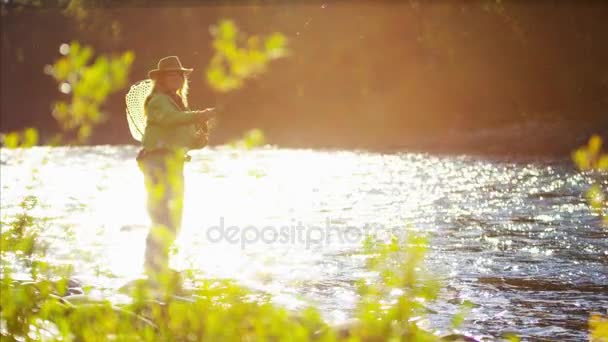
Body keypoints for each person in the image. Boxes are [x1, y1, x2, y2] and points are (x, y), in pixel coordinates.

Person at [136, 56, 214, 284]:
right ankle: (153, 267)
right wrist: (199, 116)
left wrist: (200, 135)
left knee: (173, 217)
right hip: (158, 162)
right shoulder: (158, 101)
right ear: (160, 79)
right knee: (161, 214)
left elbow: (188, 139)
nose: (176, 78)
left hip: (173, 164)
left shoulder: (178, 103)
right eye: (170, 74)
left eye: (179, 75)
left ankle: (161, 265)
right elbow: (170, 121)